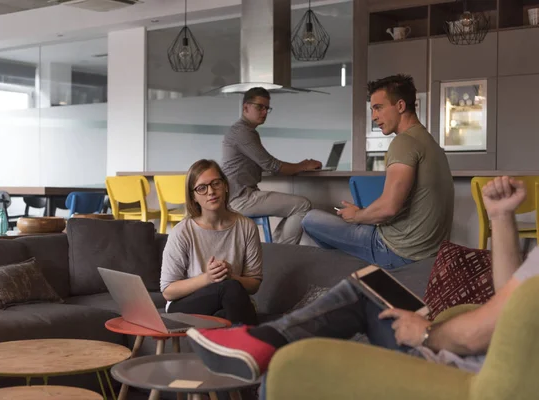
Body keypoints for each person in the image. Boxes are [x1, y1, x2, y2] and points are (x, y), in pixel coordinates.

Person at [187, 176, 536, 387]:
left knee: (357, 286)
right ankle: (262, 342)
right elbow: (512, 299)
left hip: (463, 370)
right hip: (479, 357)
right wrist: (502, 217)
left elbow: (487, 329)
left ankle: (262, 342)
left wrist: (426, 332)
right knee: (368, 287)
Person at [302, 74, 454, 269]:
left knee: (310, 219)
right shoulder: (430, 142)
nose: (374, 116)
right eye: (372, 109)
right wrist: (363, 214)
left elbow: (388, 208)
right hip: (429, 251)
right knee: (358, 224)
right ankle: (359, 268)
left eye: (378, 108)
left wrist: (356, 216)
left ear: (400, 106)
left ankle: (357, 268)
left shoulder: (404, 142)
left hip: (398, 250)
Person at [160, 159, 262, 325]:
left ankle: (233, 342)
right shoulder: (182, 232)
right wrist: (208, 278)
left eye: (216, 183)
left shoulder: (246, 227)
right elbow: (168, 292)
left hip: (230, 301)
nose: (211, 192)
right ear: (193, 197)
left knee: (226, 306)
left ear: (226, 186)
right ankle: (252, 343)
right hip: (184, 303)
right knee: (229, 287)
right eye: (202, 188)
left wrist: (231, 275)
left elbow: (254, 284)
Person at [221, 87, 322, 245]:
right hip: (240, 198)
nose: (264, 112)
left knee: (295, 207)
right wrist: (303, 165)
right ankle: (281, 252)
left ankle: (275, 249)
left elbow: (264, 164)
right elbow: (271, 165)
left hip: (241, 196)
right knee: (302, 205)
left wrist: (296, 166)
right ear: (245, 107)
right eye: (259, 107)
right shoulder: (243, 132)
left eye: (267, 108)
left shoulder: (245, 131)